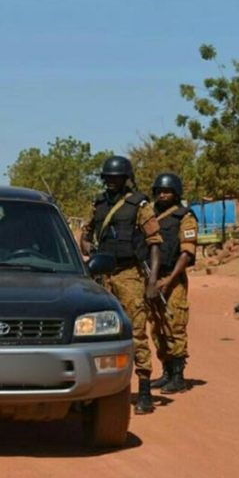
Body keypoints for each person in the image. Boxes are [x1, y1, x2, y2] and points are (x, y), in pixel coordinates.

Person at [80, 156, 162, 415]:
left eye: (116, 178)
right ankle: (97, 391)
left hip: (130, 275)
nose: (111, 182)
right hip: (103, 275)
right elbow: (85, 235)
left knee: (137, 331)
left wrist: (151, 281)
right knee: (96, 332)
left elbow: (155, 243)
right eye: (108, 178)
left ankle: (145, 390)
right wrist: (89, 251)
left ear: (125, 178)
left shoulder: (140, 205)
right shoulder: (99, 204)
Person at [147, 173, 198, 394]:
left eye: (167, 191)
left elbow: (187, 253)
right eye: (159, 191)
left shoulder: (184, 217)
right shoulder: (149, 215)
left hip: (172, 278)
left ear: (176, 193)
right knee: (157, 326)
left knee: (174, 324)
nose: (163, 194)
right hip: (152, 278)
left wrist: (169, 281)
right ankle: (166, 371)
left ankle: (178, 375)